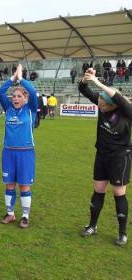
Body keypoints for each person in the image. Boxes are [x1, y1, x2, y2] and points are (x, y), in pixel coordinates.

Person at [78, 68, 131, 246]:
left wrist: (98, 82)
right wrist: (86, 79)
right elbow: (83, 89)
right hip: (102, 155)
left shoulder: (126, 111)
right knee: (98, 190)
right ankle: (92, 226)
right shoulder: (102, 103)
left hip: (119, 157)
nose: (99, 104)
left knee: (118, 192)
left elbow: (117, 96)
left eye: (103, 103)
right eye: (98, 101)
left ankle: (122, 233)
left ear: (114, 105)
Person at [0, 64, 38, 228]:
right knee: (9, 184)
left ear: (25, 98)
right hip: (8, 152)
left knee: (24, 185)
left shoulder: (30, 109)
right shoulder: (8, 109)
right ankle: (10, 213)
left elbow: (34, 92)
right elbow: (1, 92)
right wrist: (11, 79)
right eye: (13, 96)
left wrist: (21, 79)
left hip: (25, 152)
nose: (15, 98)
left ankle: (25, 216)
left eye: (19, 96)